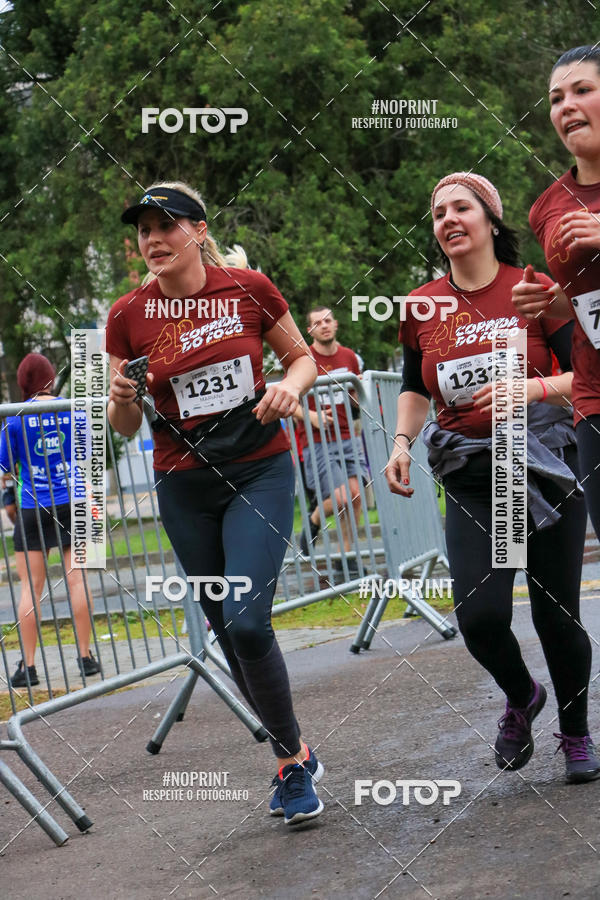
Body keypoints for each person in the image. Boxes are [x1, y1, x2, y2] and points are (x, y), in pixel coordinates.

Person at [106, 182, 325, 825]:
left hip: (259, 471)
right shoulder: (126, 316)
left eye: (166, 225)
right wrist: (121, 397)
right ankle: (294, 757)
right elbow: (122, 426)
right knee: (228, 628)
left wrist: (290, 386)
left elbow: (302, 359)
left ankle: (289, 763)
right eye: (144, 230)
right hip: (184, 486)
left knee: (247, 619)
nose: (153, 239)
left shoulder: (249, 289)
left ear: (199, 231)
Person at [385, 172, 600, 784]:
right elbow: (413, 387)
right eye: (438, 213)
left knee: (555, 615)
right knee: (479, 617)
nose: (448, 220)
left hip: (543, 464)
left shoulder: (532, 288)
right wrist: (401, 442)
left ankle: (576, 733)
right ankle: (522, 694)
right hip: (475, 476)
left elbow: (585, 375)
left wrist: (528, 390)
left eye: (462, 207)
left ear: (490, 220)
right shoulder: (421, 305)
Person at [514, 45, 600, 553]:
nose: (567, 106)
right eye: (555, 98)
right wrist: (552, 303)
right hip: (594, 397)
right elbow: (584, 301)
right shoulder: (547, 207)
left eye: (582, 90)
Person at [1, 353, 100, 688]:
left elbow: (5, 466)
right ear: (51, 378)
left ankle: (28, 667)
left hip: (33, 506)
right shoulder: (73, 410)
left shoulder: (15, 417)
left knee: (31, 588)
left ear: (23, 382)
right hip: (73, 501)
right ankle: (86, 658)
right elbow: (88, 455)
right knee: (78, 581)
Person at [295, 307, 365, 574]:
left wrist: (359, 391)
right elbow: (289, 399)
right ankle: (314, 518)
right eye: (317, 323)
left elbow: (355, 402)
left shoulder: (349, 357)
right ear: (310, 330)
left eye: (327, 320)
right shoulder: (303, 359)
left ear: (335, 324)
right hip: (317, 440)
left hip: (347, 435)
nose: (323, 325)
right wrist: (311, 416)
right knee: (341, 497)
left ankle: (345, 557)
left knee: (355, 496)